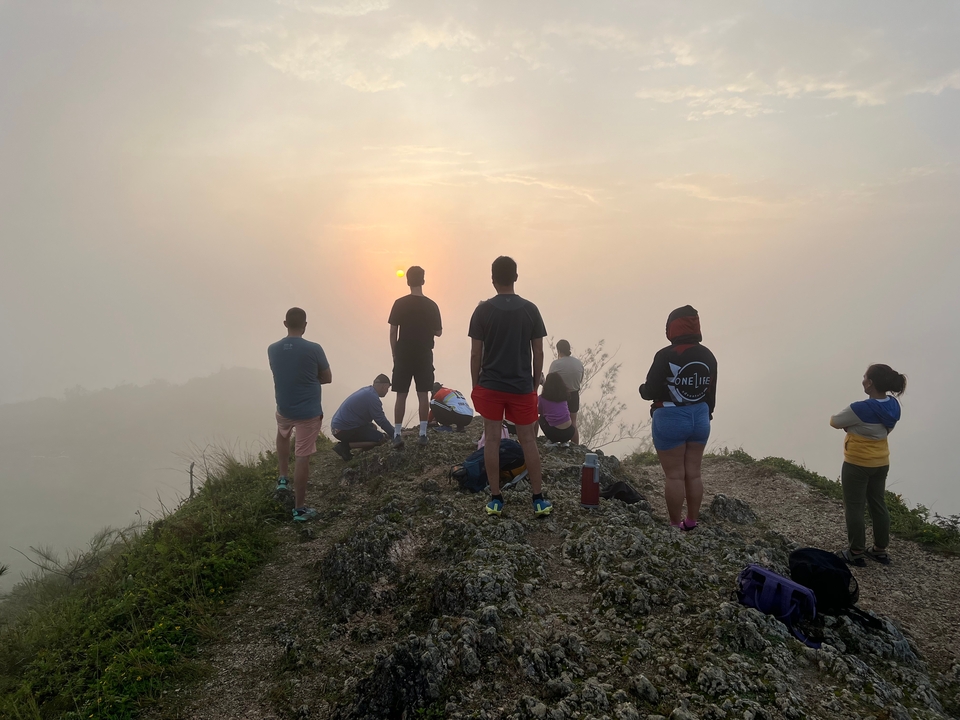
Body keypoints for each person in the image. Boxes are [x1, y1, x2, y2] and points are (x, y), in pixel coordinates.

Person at [468, 256, 552, 517]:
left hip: (490, 385)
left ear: (493, 279)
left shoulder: (482, 311)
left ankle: (495, 499)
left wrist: (476, 385)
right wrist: (534, 384)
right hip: (521, 386)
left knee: (491, 439)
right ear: (516, 277)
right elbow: (538, 352)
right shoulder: (530, 310)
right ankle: (538, 499)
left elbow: (475, 354)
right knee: (528, 440)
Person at [639, 305, 717, 530]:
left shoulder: (665, 355)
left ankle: (674, 525)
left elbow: (651, 391)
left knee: (674, 476)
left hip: (671, 416)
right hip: (700, 416)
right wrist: (707, 413)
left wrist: (642, 389)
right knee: (693, 474)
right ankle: (691, 522)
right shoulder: (708, 355)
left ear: (672, 328)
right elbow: (711, 391)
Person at [830, 364, 906, 566]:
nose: (863, 380)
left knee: (854, 507)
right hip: (881, 462)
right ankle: (880, 550)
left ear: (870, 383)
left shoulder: (860, 408)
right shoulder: (894, 405)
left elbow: (834, 421)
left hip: (857, 463)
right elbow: (886, 429)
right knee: (878, 504)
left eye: (865, 377)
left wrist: (852, 426)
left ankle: (855, 551)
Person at [267, 307, 332, 523]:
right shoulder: (314, 349)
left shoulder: (272, 349)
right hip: (308, 411)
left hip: (284, 406)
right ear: (305, 325)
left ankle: (283, 478)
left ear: (285, 323)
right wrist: (311, 380)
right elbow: (327, 377)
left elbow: (282, 373)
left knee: (283, 433)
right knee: (303, 455)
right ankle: (299, 510)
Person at [389, 266, 442, 448]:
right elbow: (439, 332)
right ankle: (423, 433)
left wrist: (395, 353)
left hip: (403, 353)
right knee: (423, 394)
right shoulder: (431, 305)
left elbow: (393, 330)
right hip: (424, 353)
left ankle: (397, 434)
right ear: (423, 281)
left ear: (408, 281)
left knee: (401, 395)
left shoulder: (399, 303)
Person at [330, 375, 395, 461]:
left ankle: (357, 449)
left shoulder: (368, 391)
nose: (387, 391)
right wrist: (396, 434)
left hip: (338, 426)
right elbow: (381, 420)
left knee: (373, 427)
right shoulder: (372, 398)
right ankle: (344, 447)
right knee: (380, 439)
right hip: (343, 430)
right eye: (387, 388)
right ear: (383, 386)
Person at [548, 339, 585, 445]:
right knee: (573, 422)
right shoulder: (578, 363)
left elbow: (550, 382)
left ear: (559, 350)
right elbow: (580, 379)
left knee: (556, 420)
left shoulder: (556, 364)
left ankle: (555, 440)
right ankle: (575, 445)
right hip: (574, 394)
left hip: (559, 396)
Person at [538, 372, 575, 444]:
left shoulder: (542, 398)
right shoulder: (564, 396)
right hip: (570, 432)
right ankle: (565, 442)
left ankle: (552, 441)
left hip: (554, 434)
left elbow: (539, 411)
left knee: (541, 418)